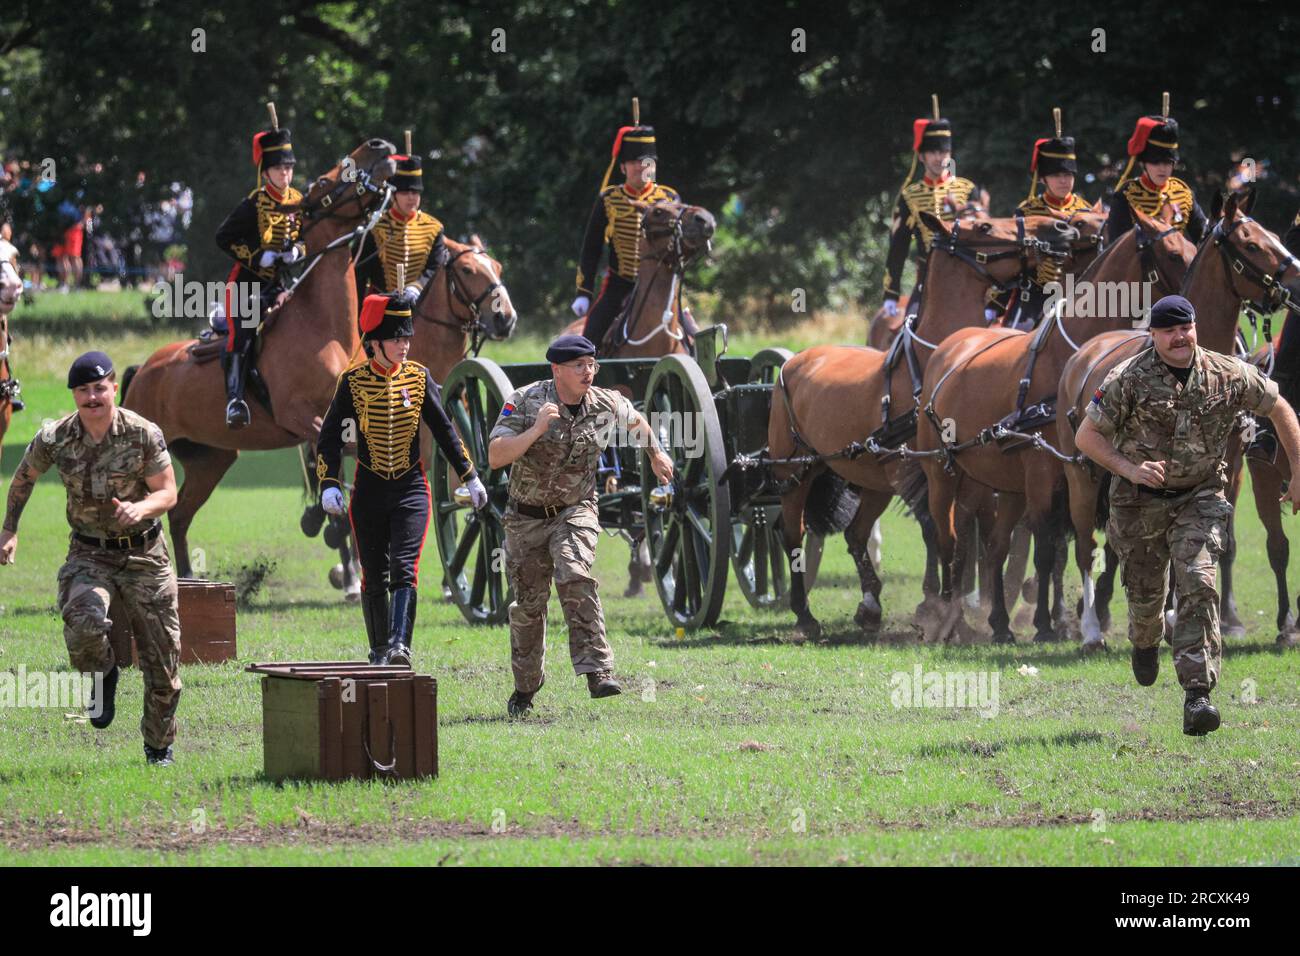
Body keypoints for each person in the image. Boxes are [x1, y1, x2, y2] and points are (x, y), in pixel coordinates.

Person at [1075, 295, 1300, 735]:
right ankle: (1144, 641)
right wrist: (1129, 468)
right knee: (1145, 603)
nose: (1180, 337)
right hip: (1138, 504)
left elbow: (1279, 407)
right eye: (1169, 330)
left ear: (1195, 327)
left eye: (1186, 327)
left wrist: (1299, 470)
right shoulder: (1127, 378)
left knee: (1199, 581)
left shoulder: (1225, 372)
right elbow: (1087, 435)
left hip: (1200, 498)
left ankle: (1198, 695)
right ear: (1154, 336)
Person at [0, 351, 182, 765]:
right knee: (81, 623)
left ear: (114, 388)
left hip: (145, 553)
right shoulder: (56, 437)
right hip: (88, 552)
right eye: (83, 390)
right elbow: (24, 476)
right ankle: (103, 676)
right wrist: (10, 528)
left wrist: (143, 509)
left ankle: (158, 747)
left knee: (163, 660)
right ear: (74, 395)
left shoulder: (142, 433)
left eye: (100, 388)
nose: (92, 397)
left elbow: (168, 491)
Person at [487, 333, 674, 718]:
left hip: (576, 509)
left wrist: (656, 455)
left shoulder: (604, 401)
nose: (588, 372)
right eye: (579, 366)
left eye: (592, 365)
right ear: (557, 369)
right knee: (528, 607)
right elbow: (495, 456)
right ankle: (525, 688)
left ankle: (597, 669)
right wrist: (536, 429)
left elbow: (636, 421)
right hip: (525, 519)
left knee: (573, 572)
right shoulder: (524, 401)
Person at [316, 292, 488, 665]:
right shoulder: (353, 382)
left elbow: (445, 430)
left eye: (407, 338)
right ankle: (378, 650)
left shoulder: (419, 377)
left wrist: (470, 475)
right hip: (369, 490)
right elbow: (328, 436)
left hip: (411, 489)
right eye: (397, 339)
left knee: (404, 568)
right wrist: (329, 481)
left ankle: (399, 646)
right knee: (374, 575)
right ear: (375, 343)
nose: (404, 345)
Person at [214, 109, 304, 428]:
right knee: (242, 334)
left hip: (281, 286)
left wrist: (296, 251)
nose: (285, 175)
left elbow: (307, 239)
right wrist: (255, 257)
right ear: (266, 172)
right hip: (246, 287)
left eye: (289, 168)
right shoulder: (252, 204)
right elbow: (223, 237)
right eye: (279, 168)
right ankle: (235, 400)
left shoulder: (299, 201)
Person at [574, 110, 686, 353]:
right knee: (589, 338)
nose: (641, 167)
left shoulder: (668, 197)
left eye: (647, 162)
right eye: (635, 162)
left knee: (693, 332)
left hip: (661, 285)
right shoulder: (609, 198)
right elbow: (591, 248)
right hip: (620, 285)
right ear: (623, 166)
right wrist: (584, 292)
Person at [881, 95, 986, 326]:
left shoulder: (967, 189)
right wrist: (891, 292)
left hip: (968, 278)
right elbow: (898, 246)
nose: (940, 158)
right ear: (921, 156)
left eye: (944, 153)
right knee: (908, 330)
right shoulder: (910, 196)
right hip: (928, 280)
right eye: (934, 153)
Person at [1002, 108, 1093, 329]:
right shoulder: (1026, 211)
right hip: (1034, 299)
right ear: (1043, 178)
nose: (1063, 180)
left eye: (1068, 175)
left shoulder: (1087, 212)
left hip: (1077, 299)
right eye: (1056, 175)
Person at [354, 133, 447, 311]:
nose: (411, 198)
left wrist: (416, 286)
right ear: (394, 194)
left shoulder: (434, 228)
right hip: (382, 309)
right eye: (405, 193)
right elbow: (359, 274)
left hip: (422, 306)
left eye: (415, 192)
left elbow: (435, 267)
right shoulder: (375, 228)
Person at [1106, 95, 1207, 244]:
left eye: (1168, 163)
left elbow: (1203, 237)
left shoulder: (1184, 193)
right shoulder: (1125, 196)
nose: (1162, 169)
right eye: (1155, 162)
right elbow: (1116, 248)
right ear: (1143, 164)